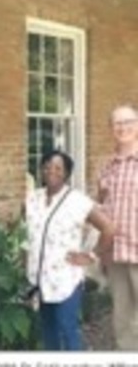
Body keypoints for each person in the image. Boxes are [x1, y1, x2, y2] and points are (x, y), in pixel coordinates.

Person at [24, 150, 114, 351]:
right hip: (40, 280)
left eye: (58, 168)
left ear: (66, 173)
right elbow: (28, 233)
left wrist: (91, 255)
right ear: (41, 169)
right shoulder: (32, 199)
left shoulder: (77, 201)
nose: (51, 171)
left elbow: (108, 228)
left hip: (65, 279)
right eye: (47, 166)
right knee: (48, 331)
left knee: (67, 329)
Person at [97, 104, 138, 350]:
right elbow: (102, 210)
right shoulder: (107, 167)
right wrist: (100, 250)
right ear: (111, 128)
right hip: (115, 254)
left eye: (128, 122)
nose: (123, 128)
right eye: (117, 123)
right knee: (122, 319)